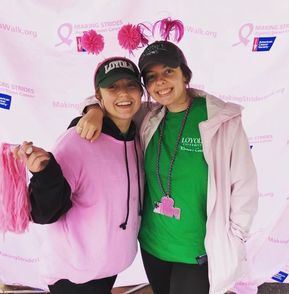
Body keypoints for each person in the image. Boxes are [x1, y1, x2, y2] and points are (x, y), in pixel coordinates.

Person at [75, 41, 259, 294]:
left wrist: (235, 237)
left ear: (185, 75)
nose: (160, 82)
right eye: (151, 77)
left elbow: (244, 185)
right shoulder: (148, 116)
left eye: (168, 72)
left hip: (196, 249)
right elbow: (110, 97)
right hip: (153, 245)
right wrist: (93, 110)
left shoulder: (220, 121)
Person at [13, 56, 144, 294]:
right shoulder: (78, 139)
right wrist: (44, 172)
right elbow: (42, 212)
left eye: (131, 85)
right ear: (99, 94)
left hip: (106, 269)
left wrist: (93, 109)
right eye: (112, 87)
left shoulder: (137, 135)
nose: (123, 94)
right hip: (73, 277)